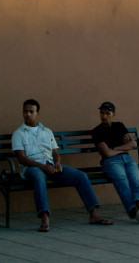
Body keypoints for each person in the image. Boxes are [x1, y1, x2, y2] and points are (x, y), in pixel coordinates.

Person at [11, 99, 113, 231]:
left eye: (31, 111)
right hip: (32, 168)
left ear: (38, 113)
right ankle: (45, 218)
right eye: (25, 111)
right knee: (39, 177)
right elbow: (21, 158)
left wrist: (58, 164)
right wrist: (42, 167)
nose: (28, 114)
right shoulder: (19, 134)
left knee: (80, 176)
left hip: (51, 165)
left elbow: (55, 153)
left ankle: (94, 215)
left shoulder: (46, 131)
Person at [91, 101, 139, 223]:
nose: (104, 116)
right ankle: (134, 210)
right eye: (102, 113)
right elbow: (107, 153)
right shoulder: (96, 131)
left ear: (113, 114)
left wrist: (114, 149)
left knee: (134, 178)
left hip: (127, 159)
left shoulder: (119, 126)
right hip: (111, 162)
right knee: (121, 179)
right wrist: (123, 147)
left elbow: (133, 144)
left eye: (107, 113)